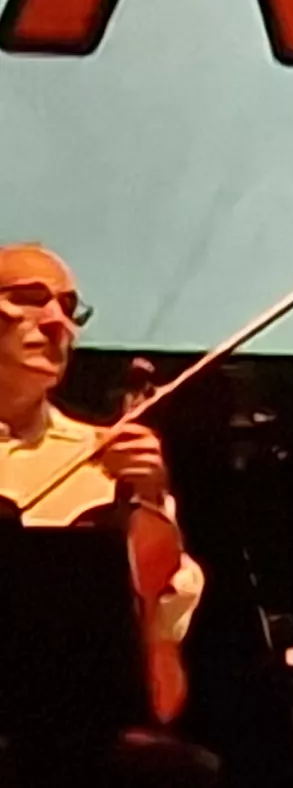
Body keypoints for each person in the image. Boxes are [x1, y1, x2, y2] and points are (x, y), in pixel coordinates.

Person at [0, 243, 216, 787]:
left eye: (69, 309)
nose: (57, 323)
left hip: (88, 736)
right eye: (30, 299)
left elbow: (166, 618)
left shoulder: (108, 457)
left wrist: (150, 498)